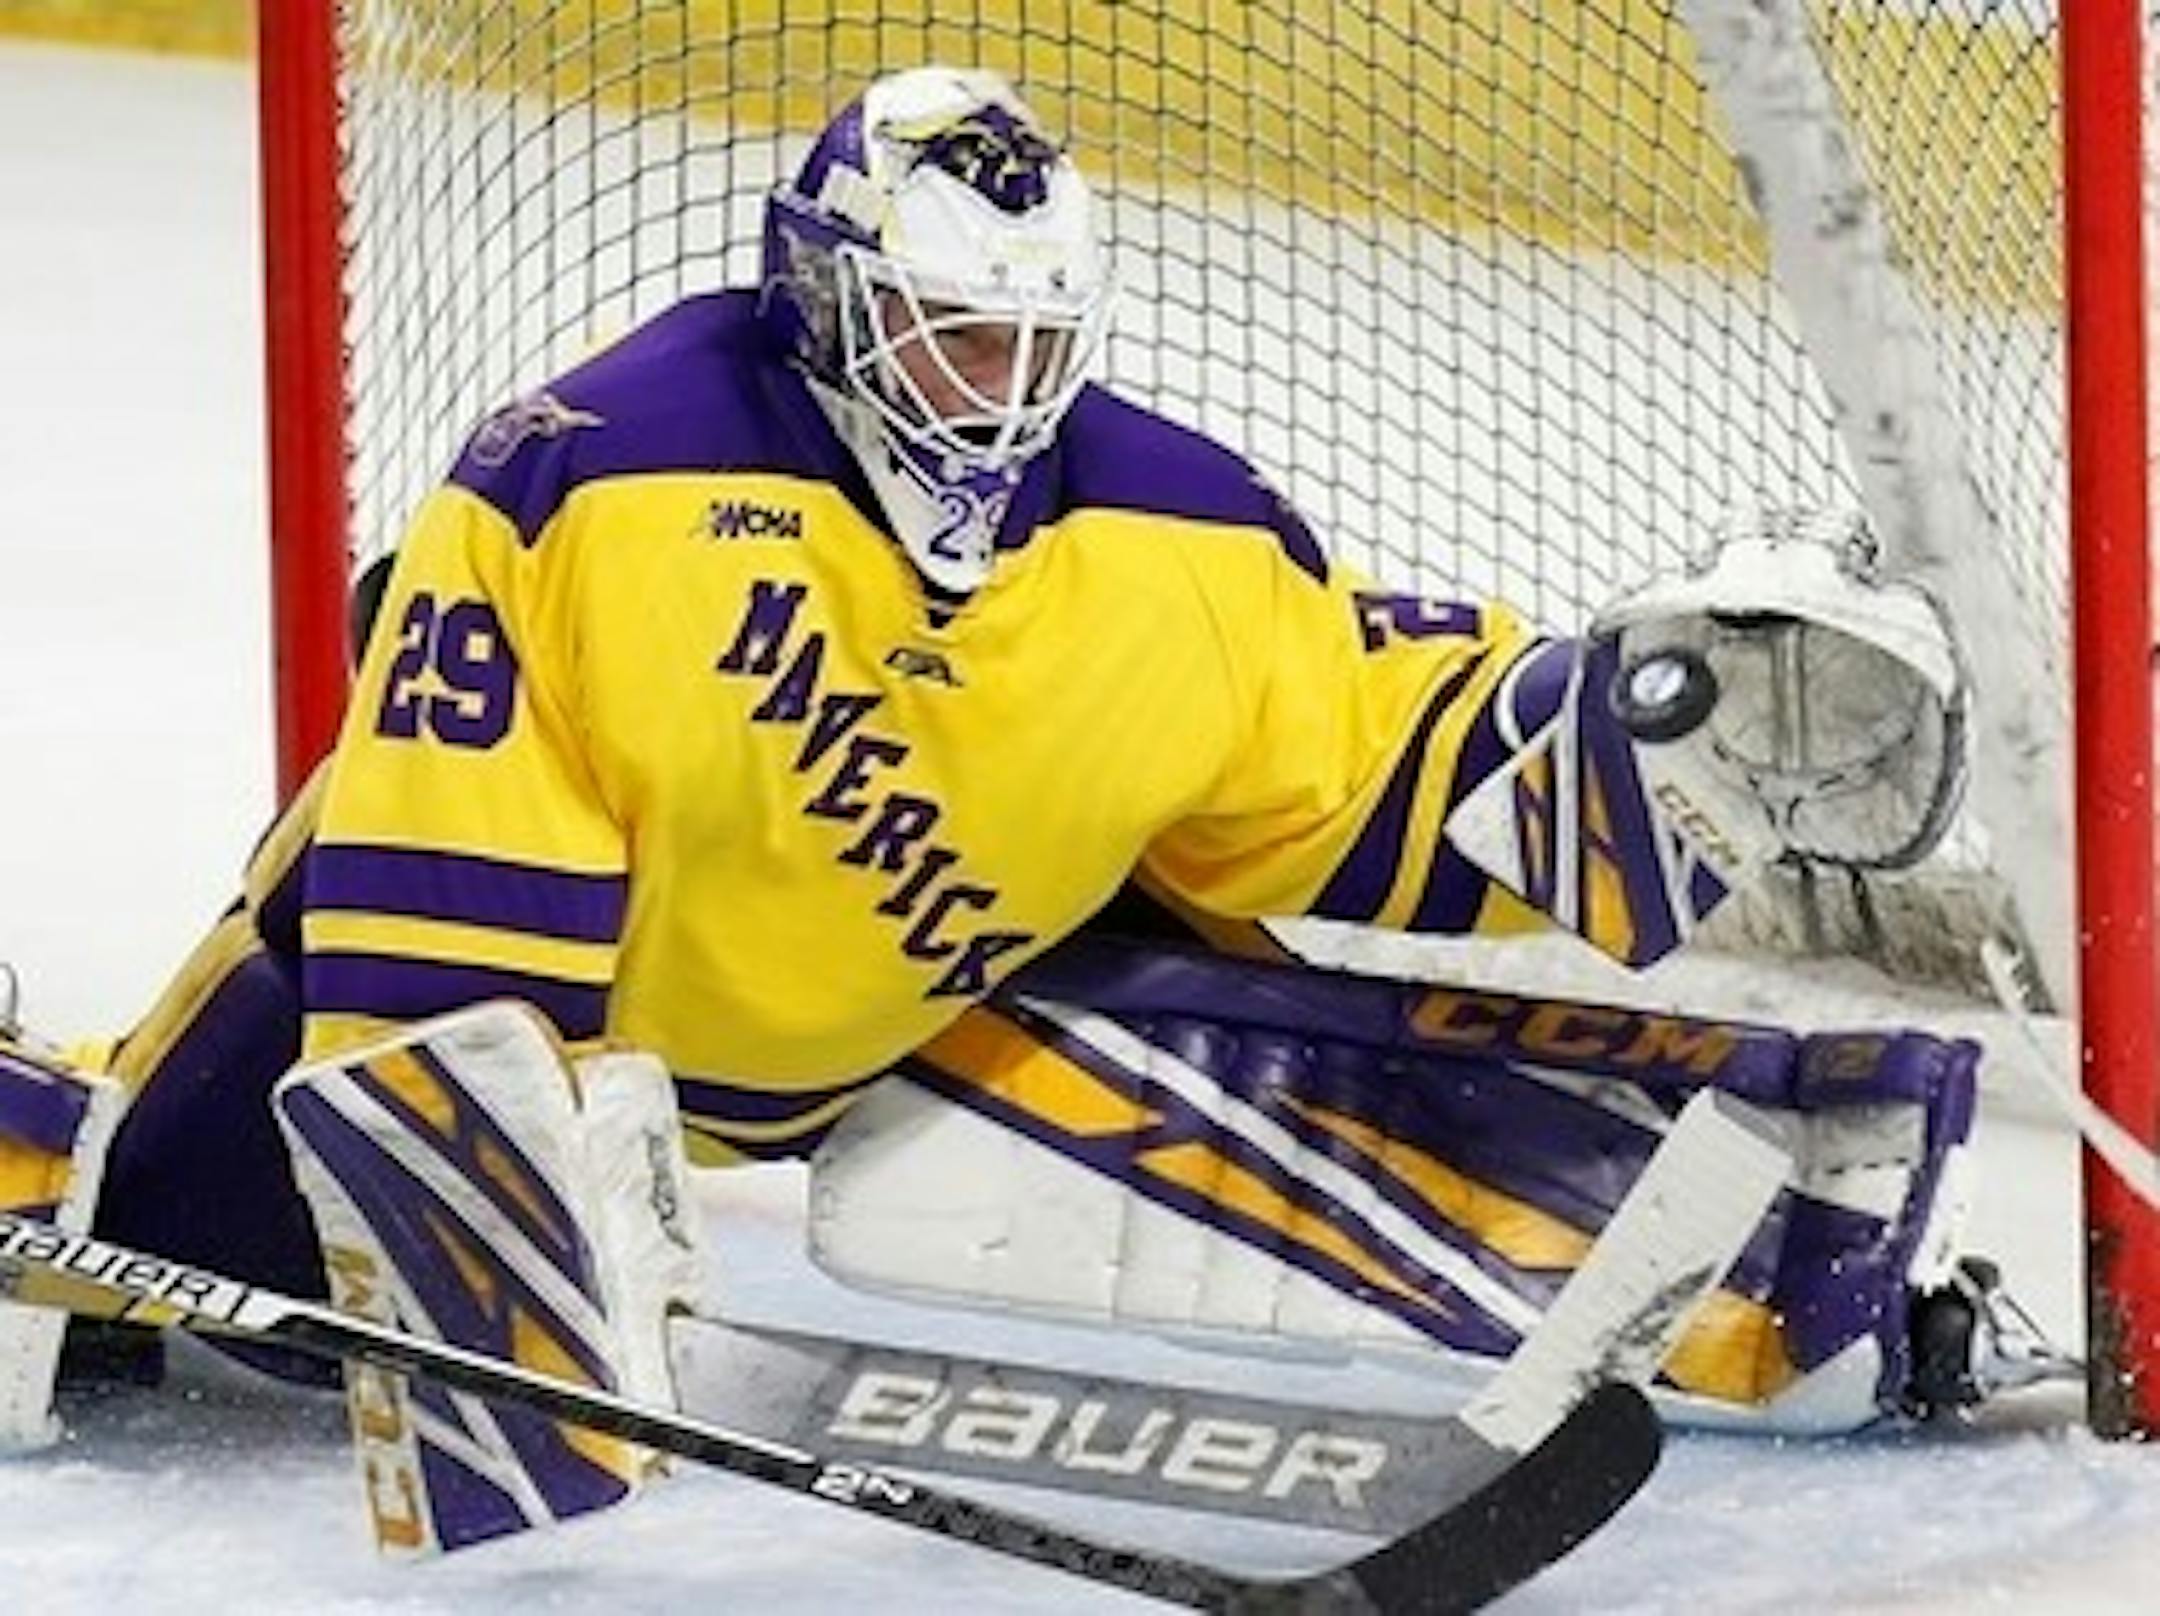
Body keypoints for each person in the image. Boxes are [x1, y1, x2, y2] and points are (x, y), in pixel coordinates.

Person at [1, 64, 1984, 1552]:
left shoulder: (1180, 541)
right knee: (146, 1264)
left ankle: (1768, 1287)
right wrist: (504, 1226)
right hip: (521, 1005)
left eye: (1033, 347)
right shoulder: (592, 484)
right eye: (950, 337)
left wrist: (1634, 741)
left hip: (884, 1024)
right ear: (824, 301)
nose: (991, 392)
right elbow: (438, 899)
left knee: (1238, 1039)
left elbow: (1363, 754)